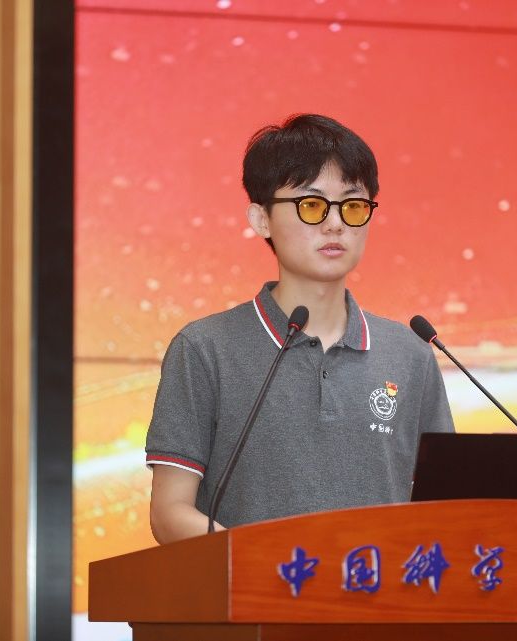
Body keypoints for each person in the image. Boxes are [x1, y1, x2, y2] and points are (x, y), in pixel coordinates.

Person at [145, 114, 455, 544]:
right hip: (260, 587)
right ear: (261, 219)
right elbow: (170, 513)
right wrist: (271, 565)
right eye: (312, 205)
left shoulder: (410, 353)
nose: (335, 224)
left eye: (353, 205)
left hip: (379, 587)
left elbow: (446, 509)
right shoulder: (204, 349)